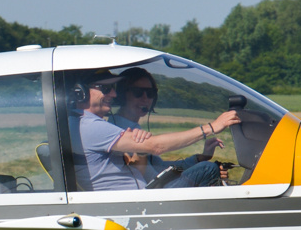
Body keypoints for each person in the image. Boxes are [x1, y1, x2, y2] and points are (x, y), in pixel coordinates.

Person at [69, 69, 239, 190]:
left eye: (150, 93)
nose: (145, 98)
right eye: (138, 92)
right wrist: (211, 127)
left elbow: (160, 167)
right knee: (208, 169)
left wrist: (198, 159)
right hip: (141, 203)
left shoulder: (101, 126)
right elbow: (155, 159)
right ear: (80, 93)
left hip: (142, 197)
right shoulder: (99, 127)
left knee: (205, 167)